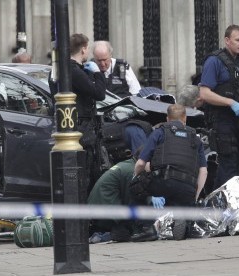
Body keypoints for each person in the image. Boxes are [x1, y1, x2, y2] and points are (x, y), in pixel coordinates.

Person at [131, 104, 208, 241]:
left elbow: (141, 163)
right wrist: (194, 196)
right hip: (187, 186)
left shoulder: (159, 132)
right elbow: (203, 171)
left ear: (167, 118)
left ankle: (147, 228)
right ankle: (182, 219)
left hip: (163, 182)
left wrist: (135, 177)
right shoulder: (195, 137)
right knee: (181, 197)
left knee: (136, 186)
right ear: (185, 118)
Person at [199, 24, 239, 191]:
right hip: (222, 121)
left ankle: (236, 206)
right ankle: (220, 208)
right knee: (227, 164)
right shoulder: (215, 61)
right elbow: (205, 93)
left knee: (238, 163)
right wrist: (230, 102)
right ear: (227, 40)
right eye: (238, 40)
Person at [58, 33, 107, 192]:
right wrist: (98, 73)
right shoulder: (74, 70)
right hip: (82, 128)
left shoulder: (68, 69)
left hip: (77, 125)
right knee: (86, 169)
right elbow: (99, 94)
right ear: (84, 49)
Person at [87, 148, 165, 242]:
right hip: (103, 212)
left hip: (99, 208)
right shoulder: (131, 172)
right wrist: (141, 231)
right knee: (125, 232)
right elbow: (131, 201)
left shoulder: (128, 165)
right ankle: (104, 236)